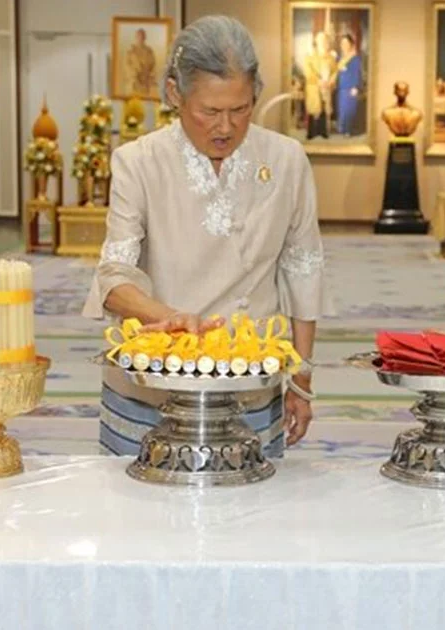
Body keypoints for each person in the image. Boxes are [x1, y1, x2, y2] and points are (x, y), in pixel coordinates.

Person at [83, 15, 327, 458]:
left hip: (249, 382)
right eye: (210, 111)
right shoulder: (138, 162)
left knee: (247, 515)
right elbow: (114, 280)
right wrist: (171, 317)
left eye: (241, 109)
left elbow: (303, 269)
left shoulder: (287, 160)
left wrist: (302, 378)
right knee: (141, 517)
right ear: (175, 93)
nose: (226, 127)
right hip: (154, 382)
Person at [302, 31, 337, 140]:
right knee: (313, 110)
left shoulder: (331, 57)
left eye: (325, 40)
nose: (323, 42)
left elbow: (335, 71)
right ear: (316, 42)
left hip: (326, 87)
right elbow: (307, 72)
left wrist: (331, 81)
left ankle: (322, 131)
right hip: (314, 87)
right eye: (320, 40)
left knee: (323, 110)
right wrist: (319, 81)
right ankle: (311, 132)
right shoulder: (310, 56)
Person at [334, 34, 362, 136]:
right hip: (341, 87)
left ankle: (348, 130)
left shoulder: (355, 58)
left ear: (351, 44)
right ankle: (342, 128)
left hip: (351, 87)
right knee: (342, 109)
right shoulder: (339, 57)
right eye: (342, 43)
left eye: (346, 43)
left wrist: (355, 87)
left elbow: (357, 73)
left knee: (349, 109)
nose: (344, 45)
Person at [126, 28, 158, 98]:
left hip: (145, 83)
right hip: (134, 83)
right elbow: (127, 66)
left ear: (145, 37)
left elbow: (153, 66)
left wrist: (151, 76)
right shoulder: (131, 51)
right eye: (139, 36)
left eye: (143, 36)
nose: (141, 38)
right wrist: (134, 75)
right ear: (136, 37)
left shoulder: (149, 51)